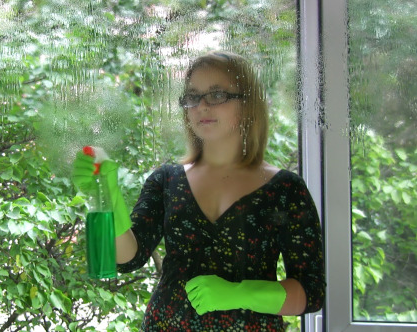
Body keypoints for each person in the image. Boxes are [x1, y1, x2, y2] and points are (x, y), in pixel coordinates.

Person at [72, 50, 325, 331]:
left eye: (217, 95)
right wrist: (106, 199)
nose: (202, 106)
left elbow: (311, 292)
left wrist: (240, 293)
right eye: (192, 97)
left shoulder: (286, 189)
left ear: (248, 104)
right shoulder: (167, 180)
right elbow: (127, 259)